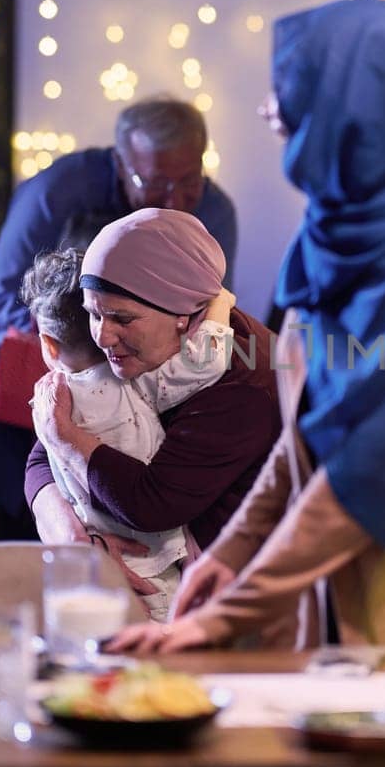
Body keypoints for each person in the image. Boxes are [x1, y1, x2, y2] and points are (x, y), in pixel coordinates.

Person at [109, 0, 385, 656]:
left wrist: (229, 610)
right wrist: (233, 552)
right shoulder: (330, 242)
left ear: (361, 111)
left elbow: (369, 467)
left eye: (296, 93)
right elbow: (306, 438)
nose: (274, 113)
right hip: (344, 616)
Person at [0, 97, 238, 538]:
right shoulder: (55, 192)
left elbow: (211, 310)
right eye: (156, 183)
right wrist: (82, 367)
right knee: (29, 518)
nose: (175, 200)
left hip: (148, 378)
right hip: (37, 367)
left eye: (189, 181)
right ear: (120, 163)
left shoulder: (216, 211)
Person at [26, 209, 279, 582]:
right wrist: (72, 536)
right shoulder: (142, 349)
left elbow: (152, 503)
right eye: (93, 315)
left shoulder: (240, 384)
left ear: (183, 313)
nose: (102, 336)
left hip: (238, 596)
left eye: (122, 319)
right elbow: (41, 457)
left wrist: (64, 437)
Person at [20, 248, 235, 621]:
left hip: (93, 556)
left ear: (48, 344)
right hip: (153, 564)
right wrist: (220, 300)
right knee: (157, 648)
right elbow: (208, 360)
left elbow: (38, 462)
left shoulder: (48, 402)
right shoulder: (136, 380)